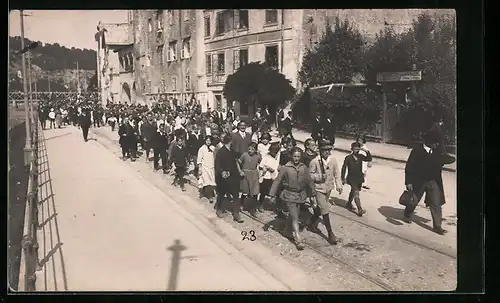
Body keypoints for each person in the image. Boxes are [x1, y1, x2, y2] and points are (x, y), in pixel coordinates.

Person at [403, 131, 455, 235]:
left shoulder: (437, 151)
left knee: (436, 203)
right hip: (419, 181)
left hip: (433, 181)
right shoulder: (416, 151)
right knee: (414, 200)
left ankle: (437, 226)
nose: (436, 144)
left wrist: (449, 157)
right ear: (429, 142)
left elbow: (447, 158)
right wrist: (408, 182)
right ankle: (407, 214)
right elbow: (409, 167)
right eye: (435, 142)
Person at [269, 147, 315, 250]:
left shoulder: (304, 167)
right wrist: (272, 194)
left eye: (298, 156)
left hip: (300, 195)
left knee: (293, 214)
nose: (296, 159)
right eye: (294, 156)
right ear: (291, 156)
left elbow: (309, 181)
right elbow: (277, 181)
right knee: (295, 217)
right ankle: (298, 239)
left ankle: (286, 231)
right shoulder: (286, 167)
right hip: (289, 195)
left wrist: (313, 194)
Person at [308, 139, 342, 245]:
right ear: (320, 151)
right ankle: (330, 234)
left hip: (328, 188)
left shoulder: (333, 160)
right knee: (325, 209)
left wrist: (339, 185)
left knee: (320, 208)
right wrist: (319, 177)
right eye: (324, 150)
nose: (327, 152)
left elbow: (337, 173)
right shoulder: (314, 161)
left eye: (328, 150)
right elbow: (309, 176)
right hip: (318, 188)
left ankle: (311, 222)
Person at [214, 134, 244, 223]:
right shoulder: (221, 151)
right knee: (221, 194)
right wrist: (222, 171)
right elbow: (217, 164)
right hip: (224, 177)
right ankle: (219, 209)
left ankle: (236, 214)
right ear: (230, 142)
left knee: (235, 195)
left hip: (233, 177)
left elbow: (238, 155)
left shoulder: (232, 151)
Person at [341, 142, 373, 216]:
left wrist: (366, 151)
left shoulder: (360, 156)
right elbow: (344, 168)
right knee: (356, 193)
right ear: (352, 149)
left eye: (358, 149)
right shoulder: (348, 157)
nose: (356, 150)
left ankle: (349, 203)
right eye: (355, 149)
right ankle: (360, 209)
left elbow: (369, 158)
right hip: (351, 178)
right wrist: (342, 178)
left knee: (353, 191)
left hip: (359, 177)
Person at [237, 142, 262, 217]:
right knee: (245, 191)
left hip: (254, 175)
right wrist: (240, 171)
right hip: (245, 175)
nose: (250, 151)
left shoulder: (258, 156)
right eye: (249, 149)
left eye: (252, 149)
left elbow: (261, 163)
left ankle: (253, 209)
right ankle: (241, 204)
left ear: (255, 150)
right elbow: (237, 163)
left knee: (255, 192)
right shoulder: (244, 155)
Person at [258, 142, 280, 213]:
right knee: (263, 192)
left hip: (273, 177)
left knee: (273, 191)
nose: (275, 153)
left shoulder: (276, 158)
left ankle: (275, 205)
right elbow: (261, 166)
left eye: (276, 152)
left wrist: (272, 169)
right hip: (266, 177)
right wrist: (265, 168)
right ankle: (260, 204)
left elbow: (276, 168)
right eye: (274, 152)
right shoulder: (266, 157)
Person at [197, 136, 217, 203]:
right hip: (204, 167)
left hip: (212, 167)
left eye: (209, 140)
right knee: (207, 181)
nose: (208, 142)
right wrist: (200, 169)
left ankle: (205, 191)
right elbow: (199, 159)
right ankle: (210, 196)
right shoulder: (202, 149)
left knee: (211, 182)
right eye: (207, 140)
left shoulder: (213, 148)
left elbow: (215, 157)